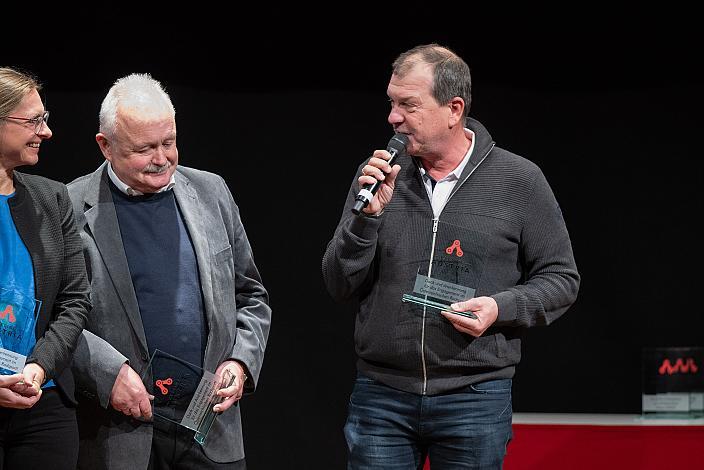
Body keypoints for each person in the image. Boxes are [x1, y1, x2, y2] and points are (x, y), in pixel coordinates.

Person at [322, 44, 580, 469]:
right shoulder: (380, 175)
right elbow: (338, 282)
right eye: (391, 102)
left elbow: (561, 279)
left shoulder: (519, 180)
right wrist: (367, 220)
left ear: (453, 108)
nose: (393, 117)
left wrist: (500, 307)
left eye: (409, 105)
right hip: (383, 397)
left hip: (474, 398)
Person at [67, 73, 271, 470]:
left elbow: (252, 296)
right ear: (105, 146)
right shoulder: (68, 207)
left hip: (210, 429)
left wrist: (241, 361)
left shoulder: (212, 191)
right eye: (145, 148)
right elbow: (57, 319)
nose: (161, 159)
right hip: (118, 435)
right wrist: (107, 373)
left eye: (169, 142)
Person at [0, 67, 91, 469]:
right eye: (34, 120)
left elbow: (75, 300)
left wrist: (38, 368)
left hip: (44, 403)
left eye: (45, 118)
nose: (47, 131)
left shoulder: (52, 199)